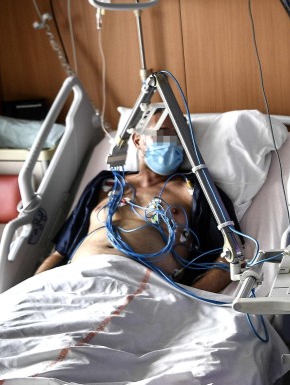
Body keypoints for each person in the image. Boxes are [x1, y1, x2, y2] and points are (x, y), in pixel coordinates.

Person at [36, 106, 237, 293]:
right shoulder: (105, 183)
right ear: (137, 140)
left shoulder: (195, 189)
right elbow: (59, 253)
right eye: (163, 133)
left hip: (138, 287)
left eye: (179, 136)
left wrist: (190, 298)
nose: (173, 141)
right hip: (76, 281)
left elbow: (232, 254)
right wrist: (33, 288)